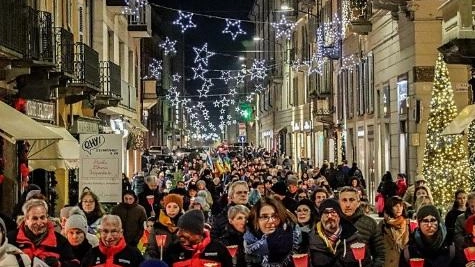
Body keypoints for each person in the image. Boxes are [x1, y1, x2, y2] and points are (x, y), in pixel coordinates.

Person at [8, 199, 79, 266]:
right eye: (35, 218)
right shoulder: (11, 239)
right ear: (26, 220)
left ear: (47, 218)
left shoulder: (60, 241)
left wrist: (59, 264)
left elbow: (74, 264)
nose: (39, 223)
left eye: (42, 218)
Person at [309, 198, 372, 266]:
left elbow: (367, 264)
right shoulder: (310, 240)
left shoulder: (355, 239)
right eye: (326, 212)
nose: (330, 216)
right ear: (320, 217)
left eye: (333, 212)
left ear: (339, 215)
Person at [244, 197, 301, 267]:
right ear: (256, 220)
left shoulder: (296, 238)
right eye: (264, 217)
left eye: (275, 216)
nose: (271, 221)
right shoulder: (249, 241)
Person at [164, 209, 232, 266]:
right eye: (179, 229)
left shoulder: (219, 249)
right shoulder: (173, 250)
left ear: (197, 232)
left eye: (184, 230)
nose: (178, 234)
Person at [338, 186, 385, 267]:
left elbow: (380, 254)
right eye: (344, 200)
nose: (348, 205)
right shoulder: (334, 223)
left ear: (358, 202)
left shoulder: (370, 223)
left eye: (352, 200)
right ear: (339, 202)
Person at [145, 194, 183, 260]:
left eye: (175, 207)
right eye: (169, 207)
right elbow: (151, 245)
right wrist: (154, 257)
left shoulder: (183, 225)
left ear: (179, 208)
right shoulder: (158, 225)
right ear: (165, 208)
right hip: (160, 259)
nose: (172, 210)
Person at [378, 196, 409, 267]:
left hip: (402, 262)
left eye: (401, 206)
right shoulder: (382, 224)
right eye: (395, 206)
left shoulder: (408, 224)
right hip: (386, 262)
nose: (399, 208)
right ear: (390, 208)